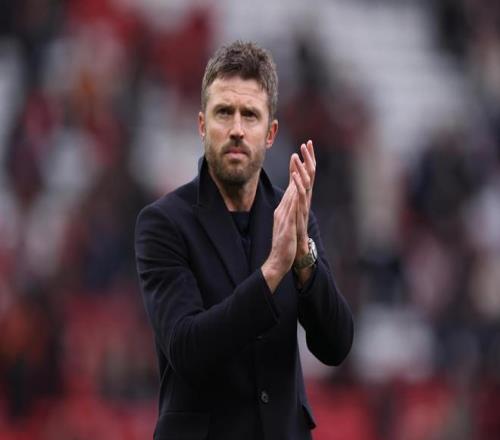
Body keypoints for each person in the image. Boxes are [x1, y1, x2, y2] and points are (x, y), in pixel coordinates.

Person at [135, 40, 354, 440]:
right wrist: (272, 272)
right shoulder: (163, 223)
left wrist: (304, 261)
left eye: (250, 115)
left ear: (270, 133)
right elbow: (186, 348)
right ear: (202, 125)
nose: (236, 129)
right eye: (224, 112)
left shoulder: (293, 216)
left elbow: (336, 346)